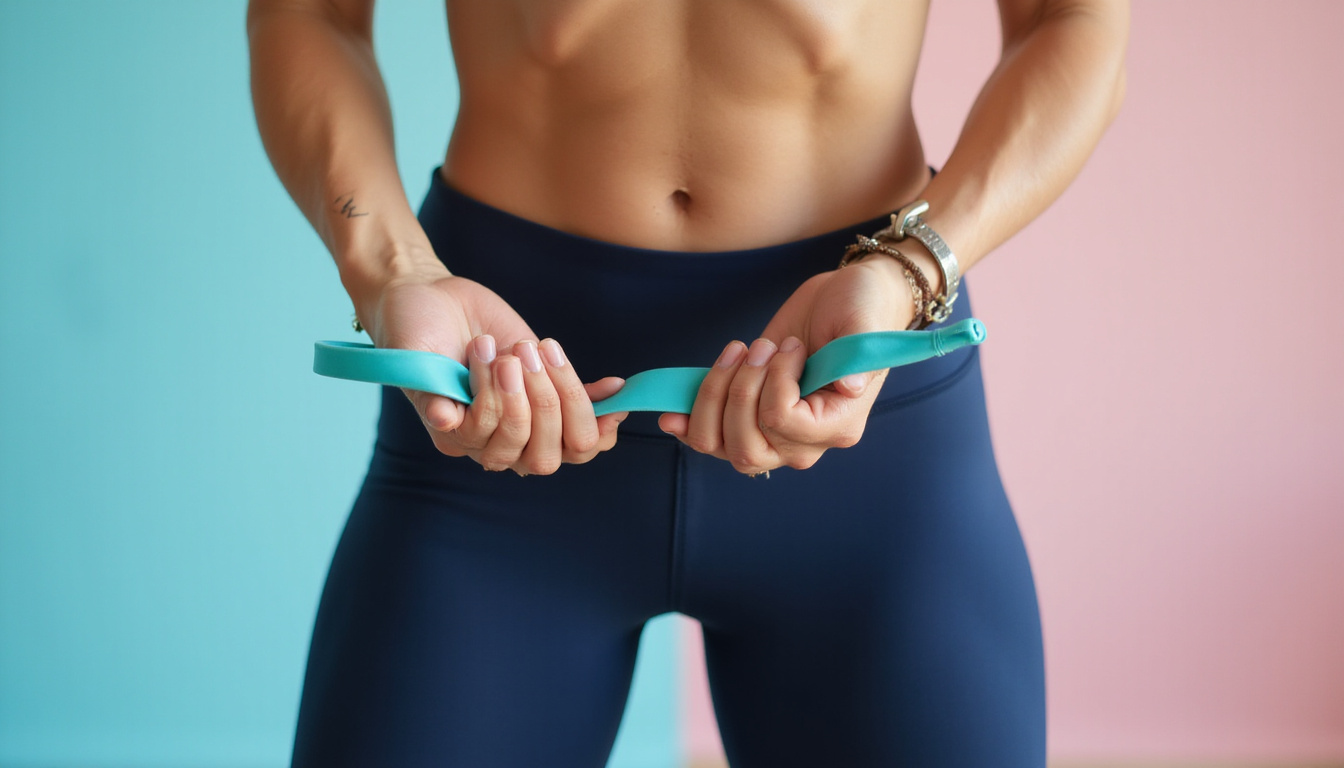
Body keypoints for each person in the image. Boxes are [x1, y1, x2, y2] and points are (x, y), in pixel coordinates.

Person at [248, 0, 1127, 765]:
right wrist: (395, 272)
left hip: (862, 406)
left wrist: (912, 267)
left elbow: (1072, 17)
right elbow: (309, 12)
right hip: (492, 401)